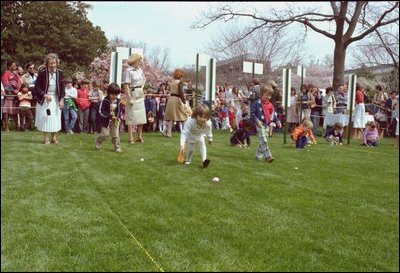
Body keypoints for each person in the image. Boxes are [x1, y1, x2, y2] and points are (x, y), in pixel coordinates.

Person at [33, 53, 65, 144]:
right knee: (46, 117)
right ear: (47, 64)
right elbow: (37, 87)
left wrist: (62, 99)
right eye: (51, 63)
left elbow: (62, 87)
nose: (53, 65)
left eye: (54, 63)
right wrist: (44, 95)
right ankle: (46, 138)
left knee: (56, 117)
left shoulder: (60, 73)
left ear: (57, 63)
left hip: (56, 98)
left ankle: (54, 138)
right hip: (45, 98)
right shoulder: (42, 73)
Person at [250, 84, 282, 162]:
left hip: (266, 125)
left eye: (270, 96)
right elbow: (252, 114)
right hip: (259, 124)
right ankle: (268, 156)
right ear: (261, 94)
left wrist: (277, 121)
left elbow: (273, 115)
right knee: (264, 140)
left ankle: (258, 156)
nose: (268, 97)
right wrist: (257, 120)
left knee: (263, 140)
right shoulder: (257, 103)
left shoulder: (270, 105)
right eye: (266, 95)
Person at [122, 53, 147, 143]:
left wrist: (141, 88)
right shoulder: (128, 71)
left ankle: (139, 136)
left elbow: (144, 79)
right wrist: (129, 98)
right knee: (131, 115)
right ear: (134, 61)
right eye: (138, 61)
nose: (139, 62)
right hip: (132, 93)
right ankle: (130, 137)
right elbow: (126, 85)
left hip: (140, 93)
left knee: (141, 116)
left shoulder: (140, 70)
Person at [179, 104, 213, 168]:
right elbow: (184, 133)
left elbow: (209, 131)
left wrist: (210, 138)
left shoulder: (208, 123)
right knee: (191, 149)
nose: (202, 119)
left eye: (205, 117)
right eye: (200, 117)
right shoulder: (190, 121)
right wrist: (182, 145)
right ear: (196, 115)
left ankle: (204, 160)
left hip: (200, 134)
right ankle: (188, 160)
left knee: (202, 143)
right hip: (191, 135)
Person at [95, 83, 122, 152]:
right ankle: (98, 141)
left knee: (115, 134)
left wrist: (117, 117)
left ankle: (117, 147)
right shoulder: (105, 101)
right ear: (109, 93)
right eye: (113, 94)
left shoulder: (118, 101)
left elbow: (119, 110)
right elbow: (101, 111)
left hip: (115, 120)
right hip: (105, 120)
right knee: (105, 134)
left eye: (116, 95)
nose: (114, 96)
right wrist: (109, 116)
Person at [163, 68, 188, 137]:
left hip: (171, 99)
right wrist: (184, 102)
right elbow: (181, 93)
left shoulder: (172, 82)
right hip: (177, 99)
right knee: (183, 116)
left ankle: (168, 133)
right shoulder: (179, 82)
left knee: (171, 117)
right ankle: (185, 132)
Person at [1, 60, 21, 131]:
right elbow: (5, 84)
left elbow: (19, 82)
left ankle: (17, 127)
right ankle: (6, 127)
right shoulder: (6, 73)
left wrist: (18, 90)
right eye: (13, 65)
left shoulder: (16, 74)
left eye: (15, 65)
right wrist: (13, 90)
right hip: (9, 95)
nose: (15, 66)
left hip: (16, 96)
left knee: (15, 111)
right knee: (7, 111)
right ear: (9, 66)